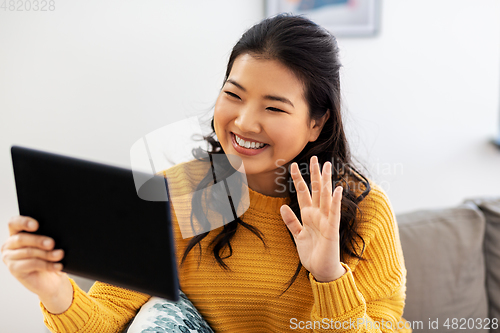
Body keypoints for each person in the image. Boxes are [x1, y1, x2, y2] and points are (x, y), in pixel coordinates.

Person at [1, 14, 412, 332]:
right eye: (233, 95)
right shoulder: (183, 190)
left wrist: (328, 274)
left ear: (316, 123)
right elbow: (114, 317)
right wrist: (54, 292)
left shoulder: (363, 208)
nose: (245, 123)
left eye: (273, 107)